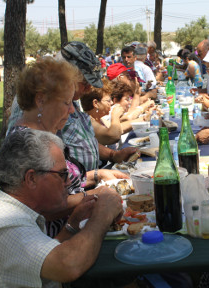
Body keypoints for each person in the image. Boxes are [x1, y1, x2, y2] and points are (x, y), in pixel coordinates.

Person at [0, 129, 123, 287]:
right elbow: (69, 265)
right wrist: (102, 215)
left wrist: (72, 225)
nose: (69, 182)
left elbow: (41, 261)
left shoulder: (12, 213)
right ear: (31, 178)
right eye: (63, 174)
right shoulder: (4, 225)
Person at [10, 58, 127, 237]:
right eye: (66, 103)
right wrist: (96, 195)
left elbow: (64, 183)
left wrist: (98, 175)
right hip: (54, 243)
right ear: (41, 100)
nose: (72, 110)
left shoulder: (45, 135)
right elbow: (44, 209)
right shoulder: (28, 145)